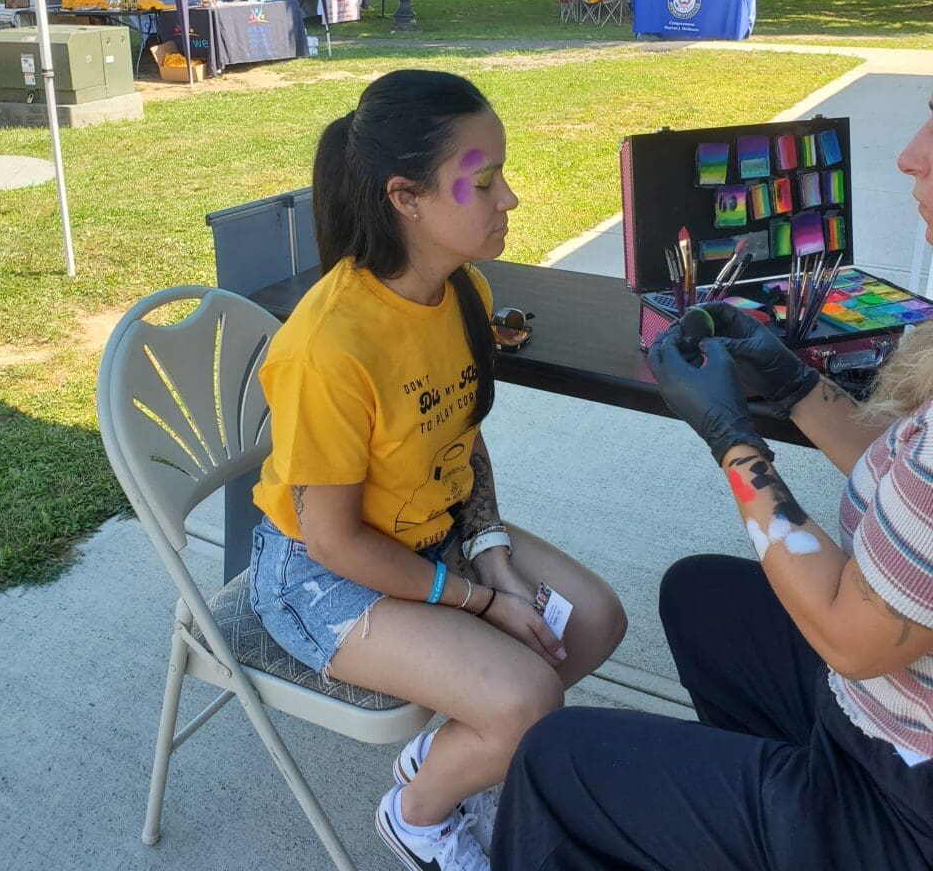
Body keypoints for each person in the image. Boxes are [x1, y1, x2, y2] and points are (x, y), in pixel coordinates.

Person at [492, 95, 933, 870]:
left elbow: (852, 637)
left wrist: (734, 442)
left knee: (556, 758)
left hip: (898, 804)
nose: (911, 154)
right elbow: (902, 476)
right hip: (894, 715)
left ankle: (798, 826)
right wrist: (792, 382)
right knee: (701, 599)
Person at [248, 70, 626, 871]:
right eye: (484, 182)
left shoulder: (464, 293)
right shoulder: (330, 346)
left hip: (440, 534)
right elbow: (335, 543)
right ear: (406, 198)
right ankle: (418, 815)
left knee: (591, 620)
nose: (510, 199)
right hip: (325, 578)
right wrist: (483, 600)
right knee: (527, 698)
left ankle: (454, 761)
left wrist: (489, 549)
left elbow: (464, 439)